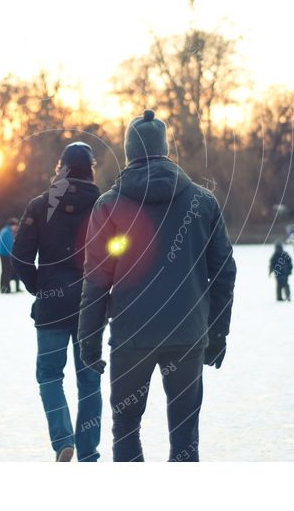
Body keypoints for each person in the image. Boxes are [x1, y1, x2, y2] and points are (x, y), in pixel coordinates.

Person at [78, 109, 237, 462]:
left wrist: (89, 343)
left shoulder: (109, 205)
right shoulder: (202, 201)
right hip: (187, 336)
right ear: (165, 149)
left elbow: (96, 281)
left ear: (130, 152)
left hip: (132, 338)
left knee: (126, 432)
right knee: (185, 437)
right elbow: (225, 272)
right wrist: (217, 333)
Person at [12, 142, 103, 462]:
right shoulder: (103, 204)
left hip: (51, 307)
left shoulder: (40, 205)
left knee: (50, 375)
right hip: (91, 305)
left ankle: (64, 439)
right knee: (89, 379)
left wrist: (41, 287)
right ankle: (89, 452)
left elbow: (20, 256)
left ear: (63, 168)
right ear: (90, 169)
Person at [0, 218, 19, 293]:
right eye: (15, 225)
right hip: (6, 254)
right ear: (11, 225)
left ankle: (4, 288)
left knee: (5, 271)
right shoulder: (7, 232)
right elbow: (9, 245)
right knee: (7, 271)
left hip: (3, 254)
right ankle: (6, 289)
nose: (16, 227)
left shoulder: (5, 230)